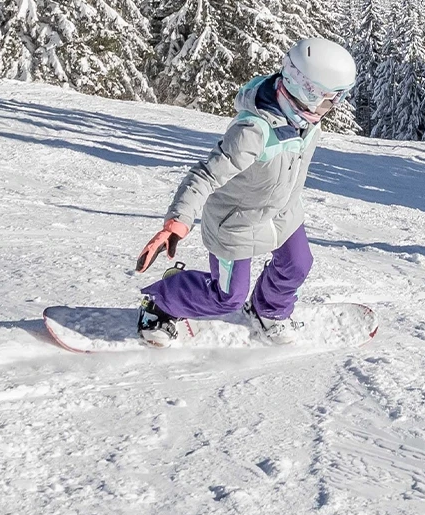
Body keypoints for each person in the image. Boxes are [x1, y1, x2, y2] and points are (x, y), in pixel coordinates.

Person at [132, 35, 358, 346]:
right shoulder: (254, 131)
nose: (333, 107)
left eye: (339, 98)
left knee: (297, 264)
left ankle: (269, 310)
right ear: (303, 89)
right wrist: (176, 224)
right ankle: (162, 303)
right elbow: (205, 175)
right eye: (330, 98)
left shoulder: (306, 118)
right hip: (236, 222)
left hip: (281, 213)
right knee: (227, 298)